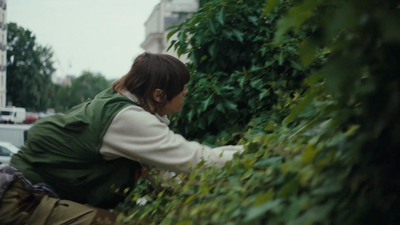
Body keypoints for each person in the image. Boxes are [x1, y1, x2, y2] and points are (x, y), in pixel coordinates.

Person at [0, 52, 244, 225]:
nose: (187, 91)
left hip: (27, 195)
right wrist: (251, 154)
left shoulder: (124, 107)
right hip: (23, 199)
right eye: (183, 86)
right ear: (159, 94)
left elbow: (165, 176)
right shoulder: (128, 119)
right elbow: (192, 158)